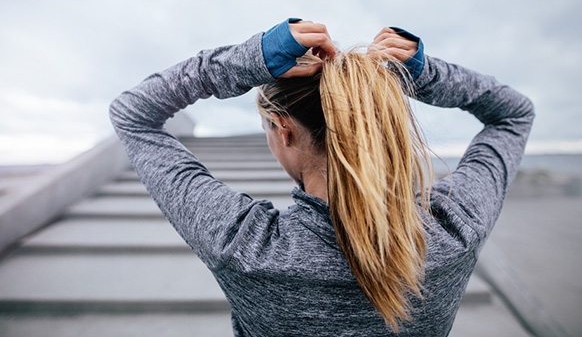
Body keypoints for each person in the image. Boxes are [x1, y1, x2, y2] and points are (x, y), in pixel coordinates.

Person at [110, 18, 534, 336]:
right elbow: (514, 114)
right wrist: (423, 74)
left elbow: (132, 113)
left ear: (284, 129)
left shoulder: (247, 247)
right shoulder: (454, 229)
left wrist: (249, 61)